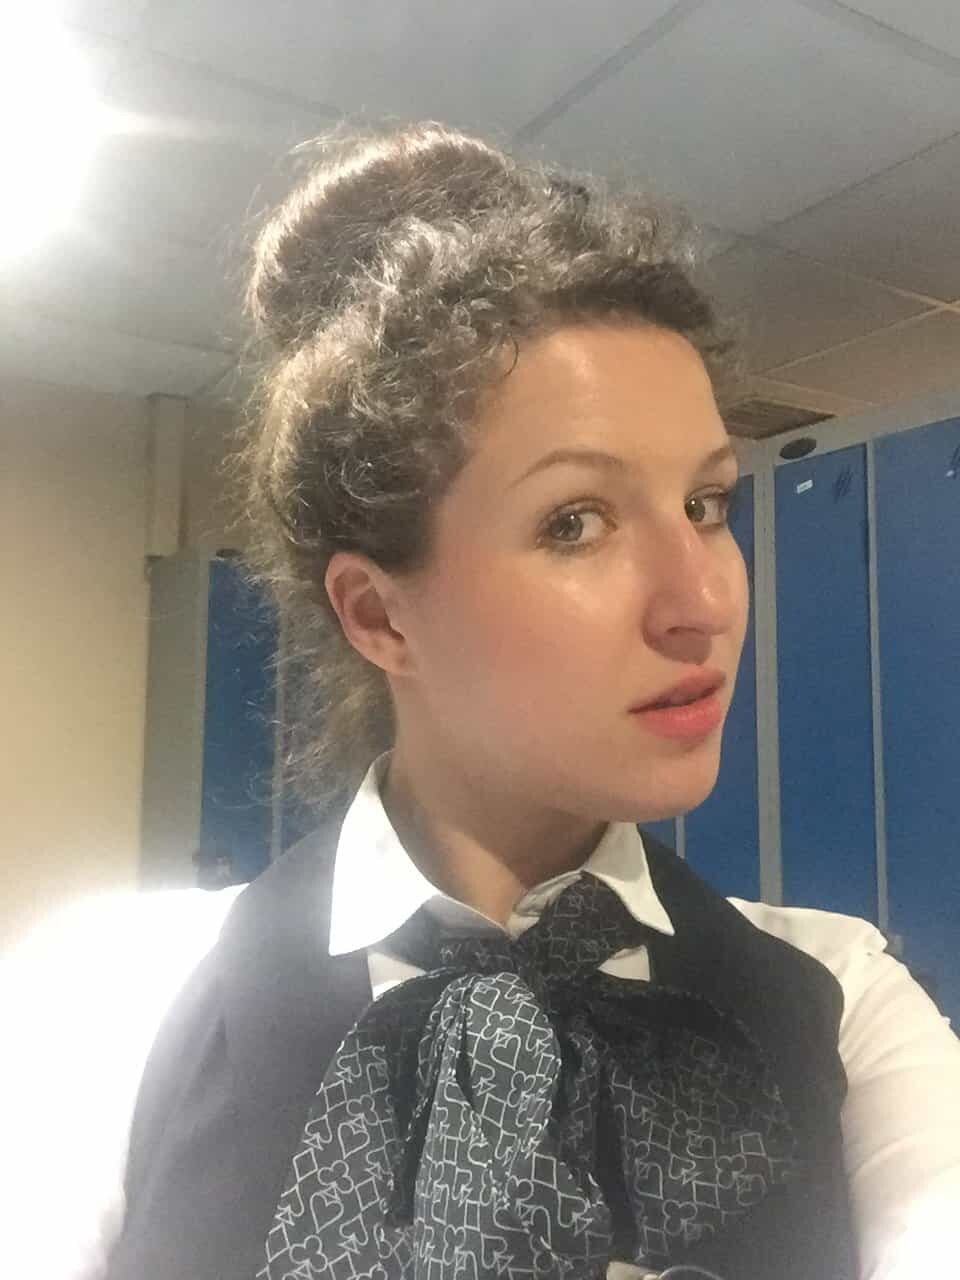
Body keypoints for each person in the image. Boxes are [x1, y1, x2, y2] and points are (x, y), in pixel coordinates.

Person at [2, 120, 959, 1280]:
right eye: (577, 521)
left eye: (706, 504)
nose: (702, 598)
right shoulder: (109, 996)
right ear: (379, 615)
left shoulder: (842, 1000)